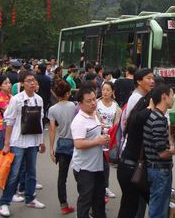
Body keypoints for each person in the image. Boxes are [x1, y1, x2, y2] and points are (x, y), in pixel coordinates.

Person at [0, 72, 46, 217]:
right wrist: (6, 143)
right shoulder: (17, 99)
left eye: (33, 80)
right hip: (17, 141)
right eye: (29, 81)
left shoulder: (39, 100)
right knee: (14, 173)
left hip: (33, 141)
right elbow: (9, 121)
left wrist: (41, 141)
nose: (32, 83)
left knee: (31, 171)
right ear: (22, 83)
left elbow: (40, 122)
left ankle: (30, 198)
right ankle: (4, 203)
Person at [70, 87, 109, 218]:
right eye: (89, 101)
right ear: (80, 104)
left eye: (94, 99)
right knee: (85, 201)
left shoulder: (93, 114)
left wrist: (101, 131)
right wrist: (98, 141)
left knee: (99, 200)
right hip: (84, 168)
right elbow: (78, 143)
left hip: (97, 166)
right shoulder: (79, 121)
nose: (93, 103)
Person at [116, 92, 152, 218]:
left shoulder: (135, 116)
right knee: (130, 206)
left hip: (126, 167)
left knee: (128, 205)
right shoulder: (140, 119)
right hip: (131, 169)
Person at [143, 83, 175, 218]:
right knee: (158, 209)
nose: (173, 99)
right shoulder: (158, 119)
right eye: (172, 95)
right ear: (164, 96)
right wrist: (173, 150)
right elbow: (161, 151)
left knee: (159, 206)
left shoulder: (154, 116)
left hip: (156, 169)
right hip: (159, 170)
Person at [48, 80, 76, 215]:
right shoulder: (74, 106)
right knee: (82, 175)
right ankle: (90, 202)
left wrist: (51, 148)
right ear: (68, 93)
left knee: (62, 176)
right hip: (76, 142)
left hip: (62, 143)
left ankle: (64, 205)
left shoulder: (52, 109)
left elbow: (52, 130)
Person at [96, 81, 121, 199]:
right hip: (97, 138)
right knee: (97, 163)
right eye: (103, 89)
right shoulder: (96, 104)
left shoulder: (116, 107)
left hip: (109, 139)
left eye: (108, 90)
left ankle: (105, 187)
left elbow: (118, 124)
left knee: (106, 164)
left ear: (113, 92)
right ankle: (98, 187)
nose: (105, 92)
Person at [0, 75, 12, 150]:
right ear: (0, 86)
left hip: (9, 126)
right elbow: (9, 111)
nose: (8, 85)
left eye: (9, 83)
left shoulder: (10, 96)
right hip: (2, 127)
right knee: (3, 151)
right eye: (5, 83)